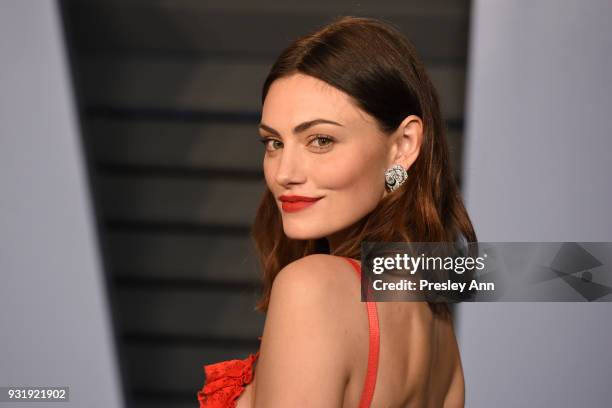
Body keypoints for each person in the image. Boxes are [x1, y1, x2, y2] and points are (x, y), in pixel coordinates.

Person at [198, 15, 476, 408]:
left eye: (321, 140)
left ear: (403, 146)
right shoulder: (434, 315)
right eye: (273, 142)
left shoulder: (312, 287)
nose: (284, 174)